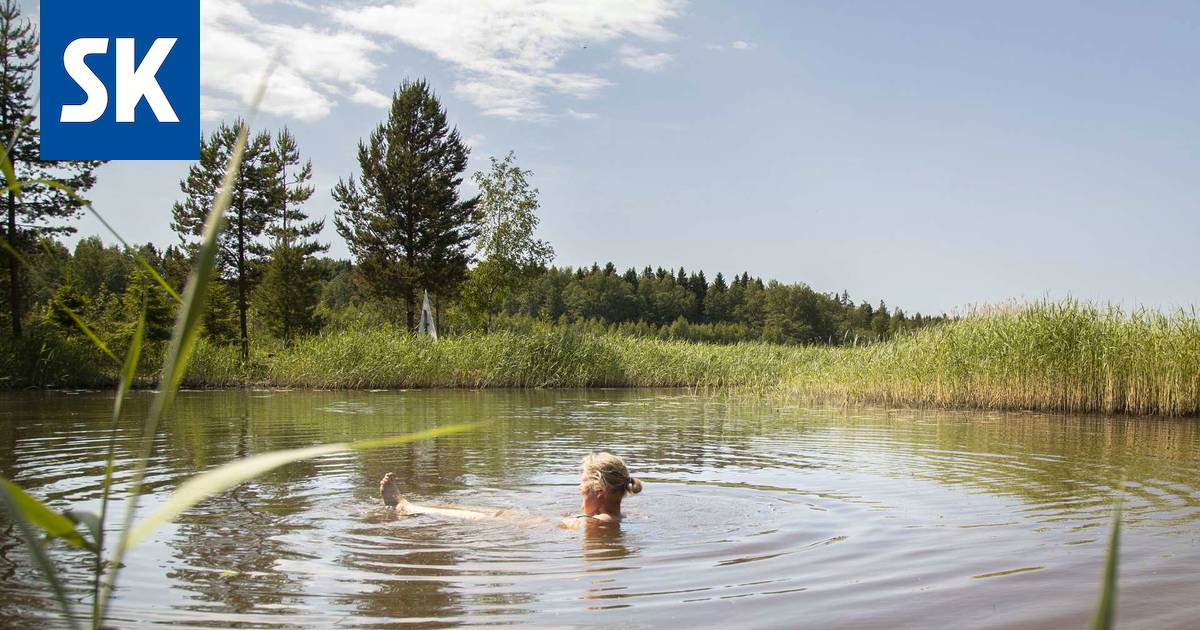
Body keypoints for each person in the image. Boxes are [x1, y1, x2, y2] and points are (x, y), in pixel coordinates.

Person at [378, 452, 642, 527]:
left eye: (582, 483)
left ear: (598, 490)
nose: (578, 487)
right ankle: (412, 505)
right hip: (524, 519)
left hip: (524, 524)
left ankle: (406, 506)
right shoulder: (619, 518)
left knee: (486, 516)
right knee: (484, 510)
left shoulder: (598, 523)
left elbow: (585, 527)